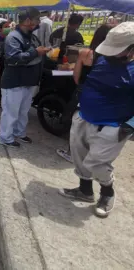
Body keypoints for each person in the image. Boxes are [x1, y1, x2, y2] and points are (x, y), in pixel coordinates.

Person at [58, 22, 134, 218]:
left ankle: (107, 192)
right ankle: (85, 191)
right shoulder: (103, 59)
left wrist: (129, 126)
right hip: (84, 116)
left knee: (98, 164)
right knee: (79, 156)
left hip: (112, 126)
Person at [56, 24, 111, 163]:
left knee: (78, 126)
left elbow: (76, 76)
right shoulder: (118, 57)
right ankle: (91, 155)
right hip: (105, 96)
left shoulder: (86, 53)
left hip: (84, 92)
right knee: (96, 127)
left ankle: (71, 154)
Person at [0, 7, 51, 147]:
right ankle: (5, 138)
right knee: (11, 113)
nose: (38, 22)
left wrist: (43, 52)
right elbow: (13, 58)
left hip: (29, 81)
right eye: (36, 19)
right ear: (27, 20)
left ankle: (19, 133)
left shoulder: (32, 37)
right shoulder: (13, 37)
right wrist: (36, 52)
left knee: (23, 111)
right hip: (15, 82)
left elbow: (36, 52)